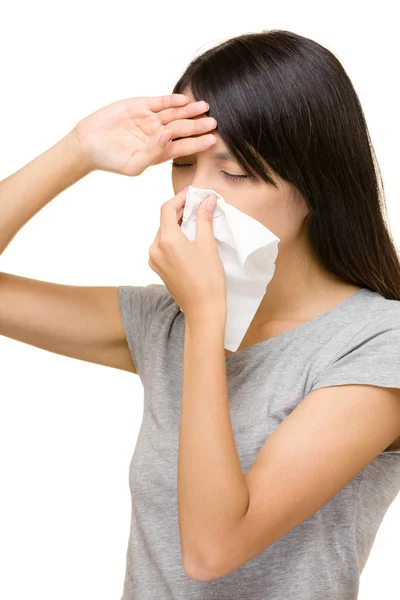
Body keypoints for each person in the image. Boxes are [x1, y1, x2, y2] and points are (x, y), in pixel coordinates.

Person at [1, 28, 399, 600]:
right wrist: (77, 150)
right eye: (183, 164)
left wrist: (207, 318)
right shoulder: (168, 320)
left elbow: (212, 550)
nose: (195, 199)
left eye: (234, 173)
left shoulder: (376, 345)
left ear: (318, 185)